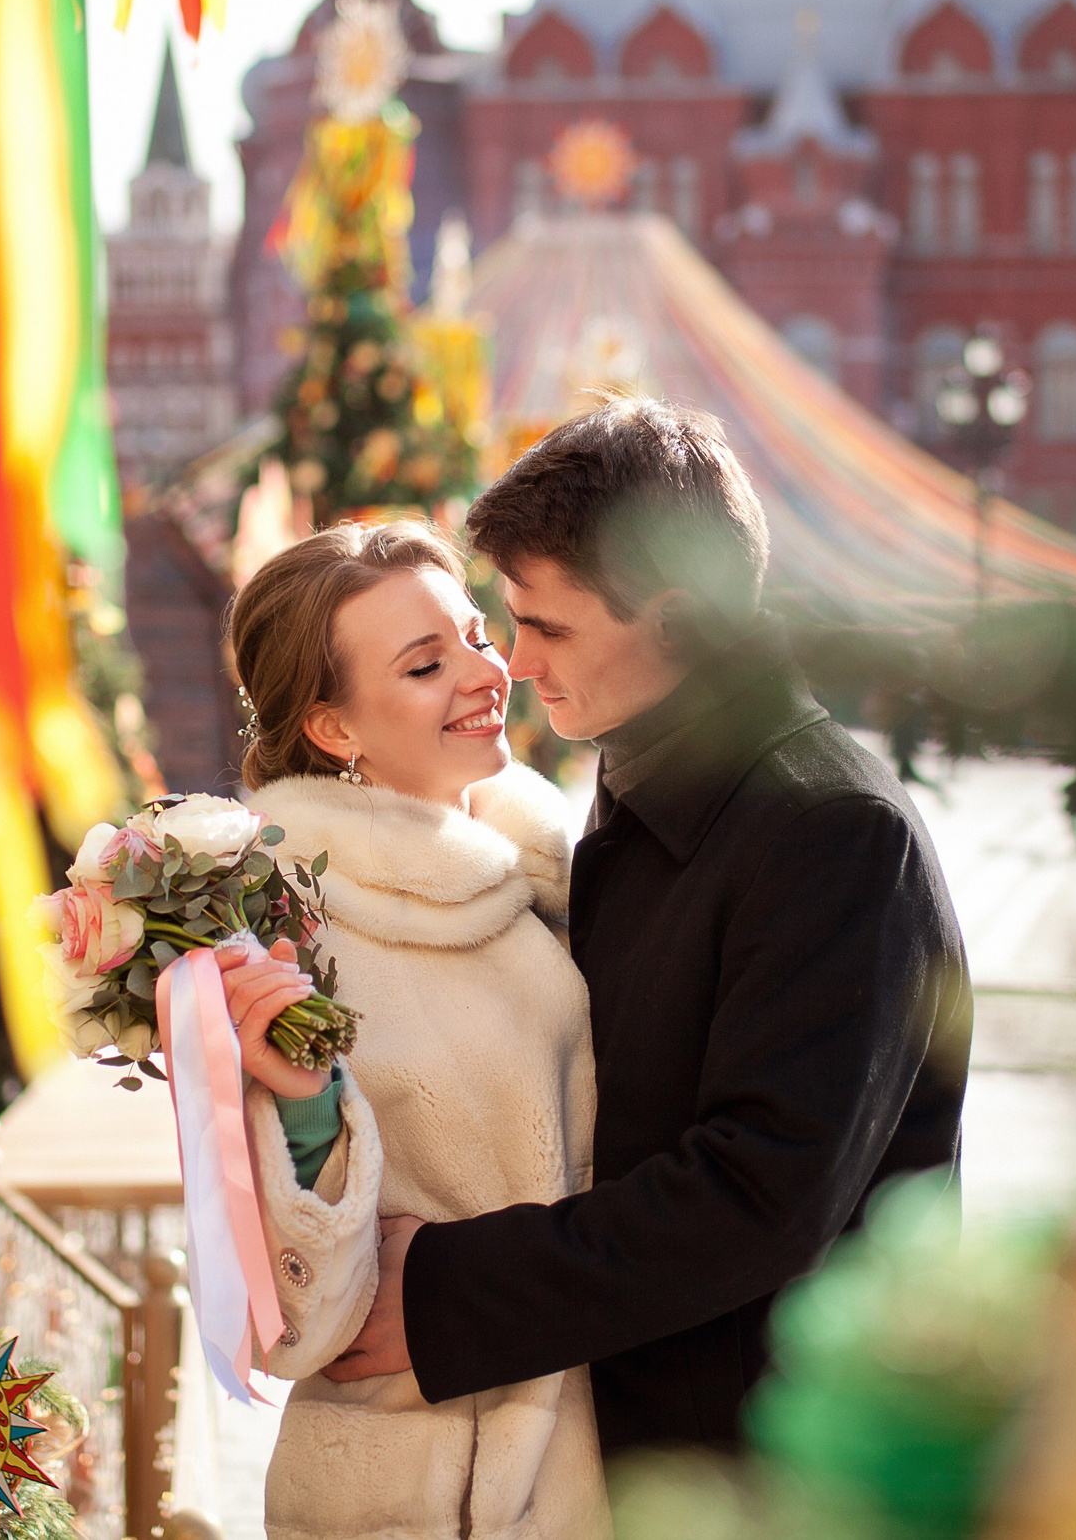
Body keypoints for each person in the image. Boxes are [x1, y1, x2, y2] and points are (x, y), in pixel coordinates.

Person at [321, 400, 974, 1459]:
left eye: (550, 626)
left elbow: (754, 1194)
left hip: (777, 1464)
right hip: (656, 1435)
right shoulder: (649, 779)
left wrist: (445, 1293)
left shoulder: (830, 830)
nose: (519, 664)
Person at [220, 520, 607, 1540]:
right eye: (426, 664)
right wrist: (304, 1101)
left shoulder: (549, 874)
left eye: (477, 636)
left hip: (586, 1461)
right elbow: (290, 1321)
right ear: (334, 729)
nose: (486, 672)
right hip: (412, 1489)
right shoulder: (293, 932)